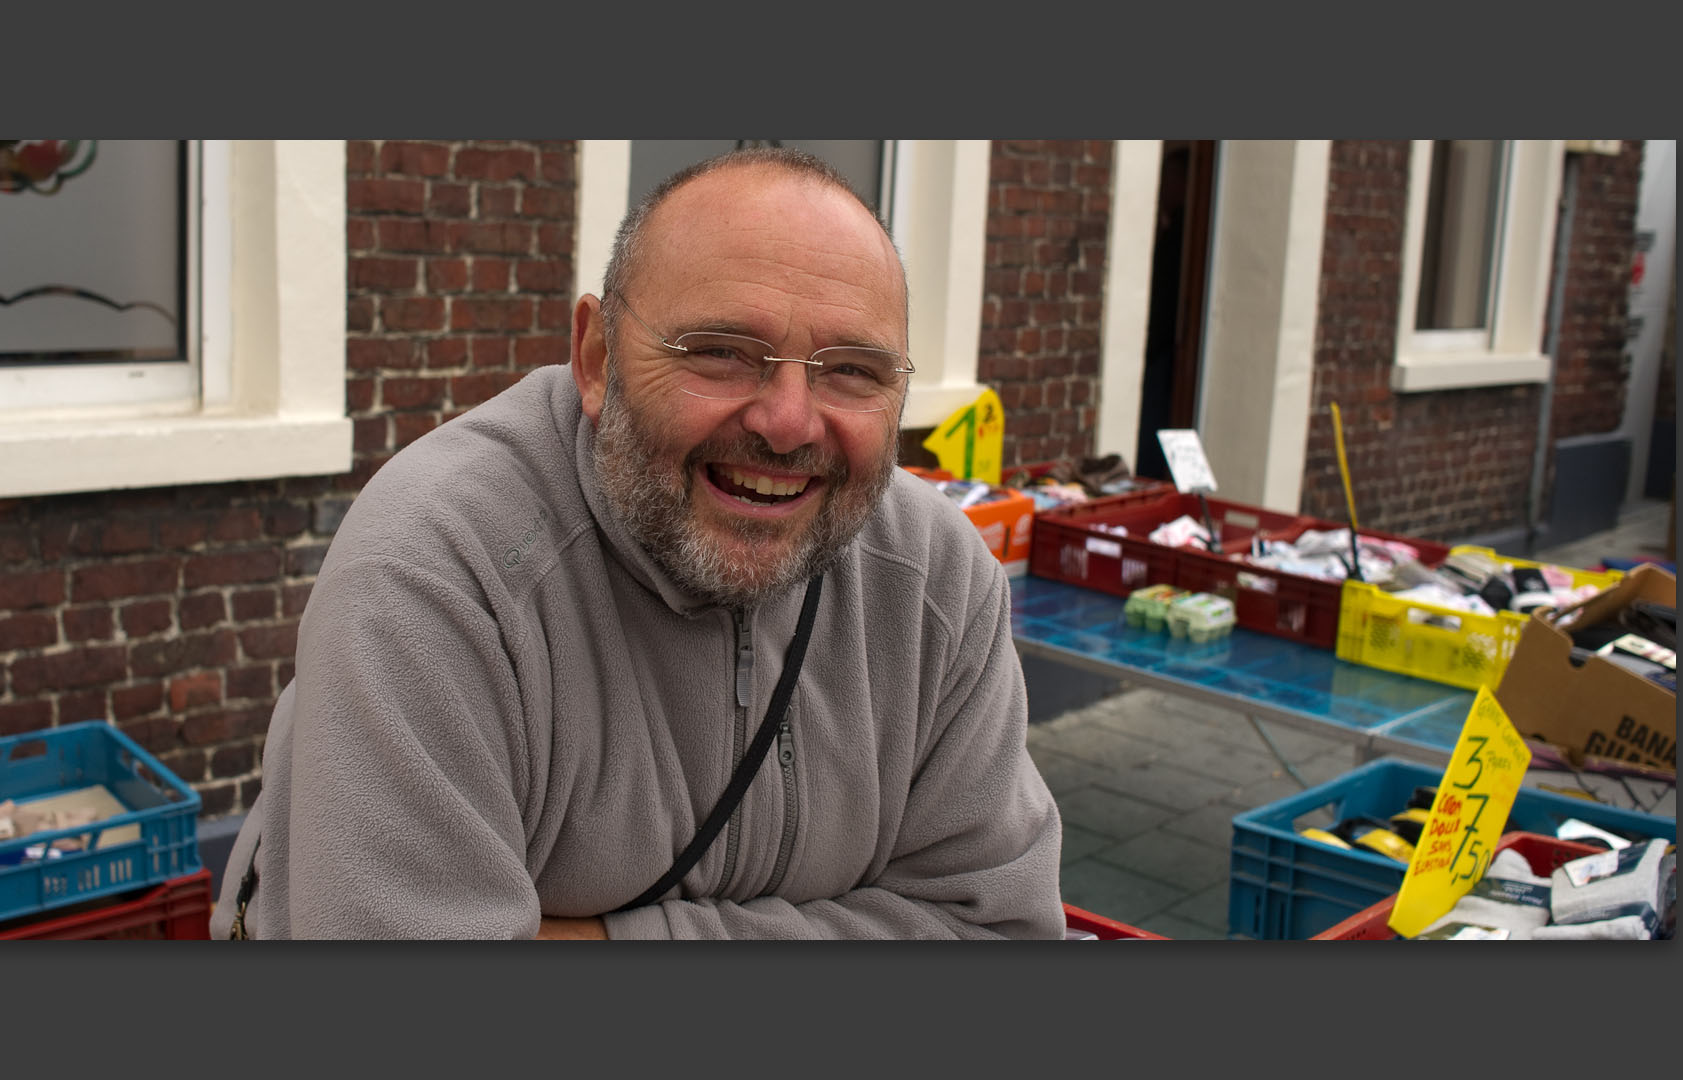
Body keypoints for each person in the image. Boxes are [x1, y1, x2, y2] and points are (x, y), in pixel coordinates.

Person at [209, 147, 1065, 939]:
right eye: (723, 352)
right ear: (596, 358)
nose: (789, 422)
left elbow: (997, 928)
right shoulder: (436, 576)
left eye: (853, 370)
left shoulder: (935, 580)